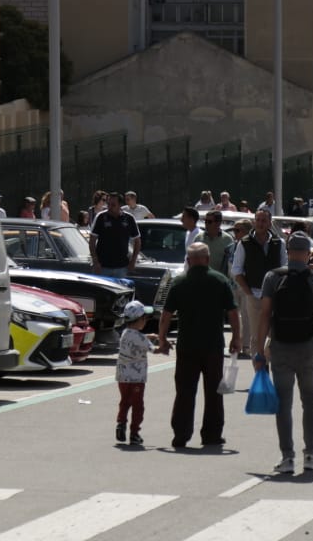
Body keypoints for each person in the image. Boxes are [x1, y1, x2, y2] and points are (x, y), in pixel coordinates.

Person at [252, 232, 313, 474]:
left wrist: (260, 350)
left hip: (281, 347)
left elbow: (265, 314)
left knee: (284, 403)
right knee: (310, 400)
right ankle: (310, 455)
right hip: (309, 347)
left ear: (288, 252)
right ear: (308, 253)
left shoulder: (273, 277)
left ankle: (287, 458)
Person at [156, 243, 240, 448]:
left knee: (184, 391)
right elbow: (232, 313)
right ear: (208, 259)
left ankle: (181, 435)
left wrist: (163, 339)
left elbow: (166, 315)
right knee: (213, 392)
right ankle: (211, 434)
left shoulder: (179, 282)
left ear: (188, 260)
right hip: (212, 346)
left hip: (187, 346)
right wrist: (236, 338)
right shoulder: (220, 281)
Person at [230, 209, 286, 358]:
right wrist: (248, 292)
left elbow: (285, 268)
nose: (260, 223)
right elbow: (237, 270)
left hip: (274, 297)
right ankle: (260, 372)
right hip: (253, 295)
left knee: (277, 334)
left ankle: (265, 360)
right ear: (254, 222)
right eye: (258, 220)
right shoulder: (244, 243)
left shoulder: (279, 243)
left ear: (269, 223)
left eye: (264, 220)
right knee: (256, 337)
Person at [115, 300, 157, 445]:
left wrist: (148, 336)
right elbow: (154, 349)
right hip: (136, 378)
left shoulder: (125, 333)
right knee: (138, 405)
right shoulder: (140, 338)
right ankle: (134, 433)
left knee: (124, 402)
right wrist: (163, 343)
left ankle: (121, 423)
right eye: (145, 318)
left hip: (122, 377)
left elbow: (138, 339)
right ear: (140, 320)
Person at [89, 192, 141, 278]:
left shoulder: (129, 218)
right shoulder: (101, 217)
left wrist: (133, 261)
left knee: (120, 290)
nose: (109, 207)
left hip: (122, 267)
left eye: (113, 205)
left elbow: (137, 240)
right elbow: (92, 240)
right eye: (108, 204)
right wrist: (95, 261)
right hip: (103, 266)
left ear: (120, 205)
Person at [198, 210, 233, 279]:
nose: (206, 224)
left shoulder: (228, 240)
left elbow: (230, 264)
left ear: (218, 223)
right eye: (205, 221)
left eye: (209, 222)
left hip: (219, 282)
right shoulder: (198, 238)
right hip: (200, 280)